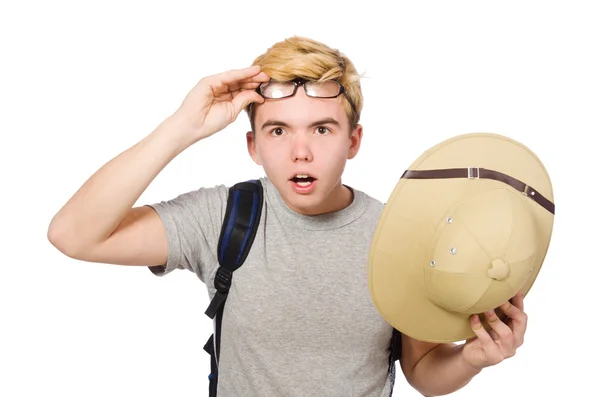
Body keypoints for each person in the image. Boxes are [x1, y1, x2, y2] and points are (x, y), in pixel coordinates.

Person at [47, 36, 528, 397]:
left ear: (353, 141)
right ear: (253, 146)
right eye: (278, 130)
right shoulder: (226, 216)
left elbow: (423, 371)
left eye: (322, 128)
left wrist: (473, 358)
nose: (301, 151)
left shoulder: (401, 236)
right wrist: (183, 127)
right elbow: (73, 235)